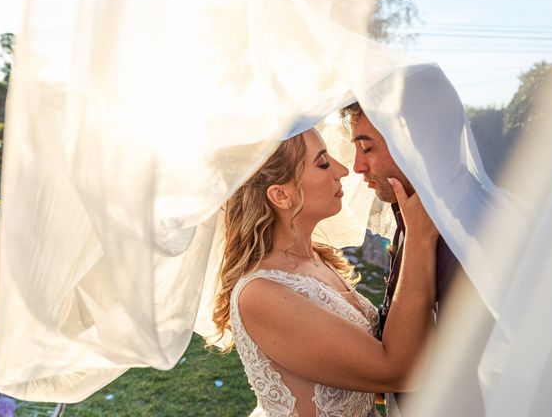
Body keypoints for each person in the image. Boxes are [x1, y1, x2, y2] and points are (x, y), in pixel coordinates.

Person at [209, 128, 438, 417]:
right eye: (323, 163)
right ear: (281, 195)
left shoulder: (316, 259)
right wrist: (419, 237)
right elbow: (403, 371)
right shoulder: (261, 294)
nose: (343, 170)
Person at [340, 96, 493, 416]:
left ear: (416, 146)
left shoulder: (468, 238)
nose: (357, 166)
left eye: (367, 148)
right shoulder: (410, 218)